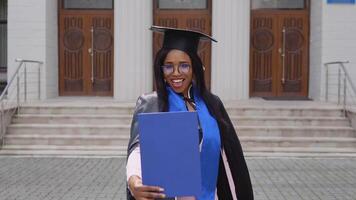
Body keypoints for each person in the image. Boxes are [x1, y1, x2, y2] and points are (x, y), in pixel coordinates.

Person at [126, 26, 254, 200]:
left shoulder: (212, 104)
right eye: (169, 66)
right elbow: (139, 148)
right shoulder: (152, 103)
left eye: (184, 65)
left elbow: (229, 157)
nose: (176, 73)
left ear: (194, 68)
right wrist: (133, 180)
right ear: (161, 71)